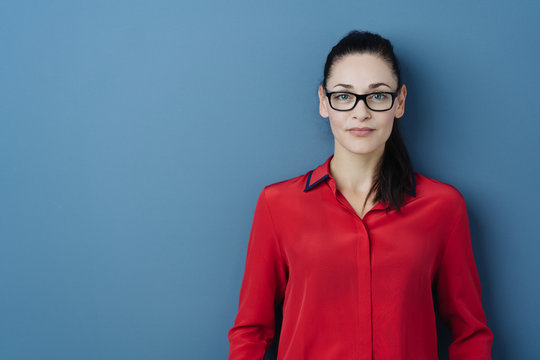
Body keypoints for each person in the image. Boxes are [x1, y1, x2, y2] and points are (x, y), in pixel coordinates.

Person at [228, 30, 493, 359]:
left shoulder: (443, 207)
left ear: (400, 102)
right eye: (344, 96)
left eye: (378, 96)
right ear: (324, 102)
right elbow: (251, 331)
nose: (360, 112)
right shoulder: (277, 204)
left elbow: (470, 332)